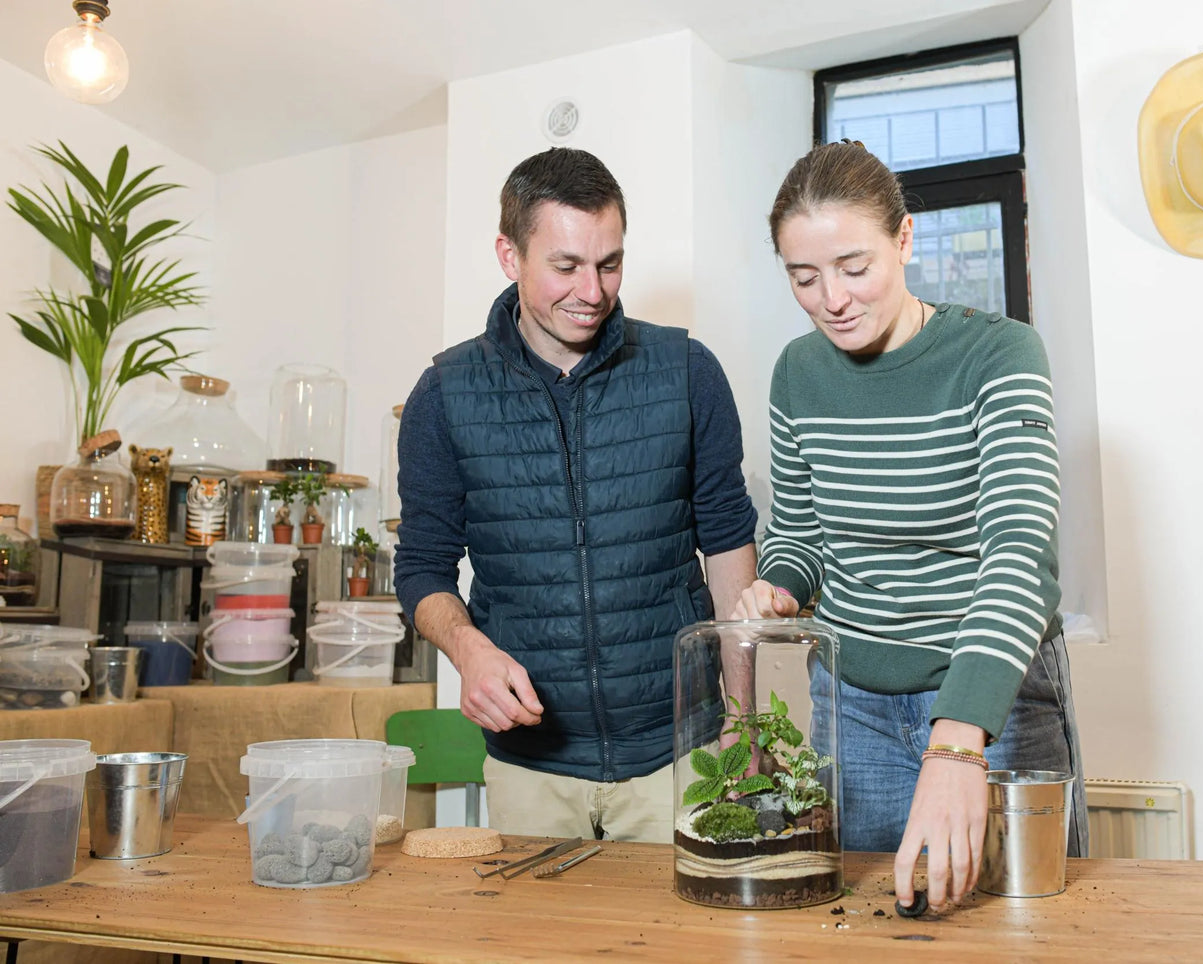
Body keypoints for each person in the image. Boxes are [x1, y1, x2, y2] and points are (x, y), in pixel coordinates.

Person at [733, 141, 1087, 910]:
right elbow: (800, 532)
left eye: (853, 267)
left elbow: (1020, 555)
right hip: (849, 703)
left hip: (989, 695)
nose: (831, 298)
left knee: (1023, 925)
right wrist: (779, 583)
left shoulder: (998, 353)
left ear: (904, 239)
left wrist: (958, 740)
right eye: (804, 277)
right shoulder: (797, 373)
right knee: (874, 922)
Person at [395, 147, 758, 843]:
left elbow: (728, 544)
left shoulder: (688, 371)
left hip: (681, 755)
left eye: (610, 262)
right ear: (510, 255)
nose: (592, 290)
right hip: (532, 767)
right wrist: (468, 650)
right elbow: (421, 569)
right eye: (565, 266)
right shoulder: (444, 395)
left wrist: (739, 724)